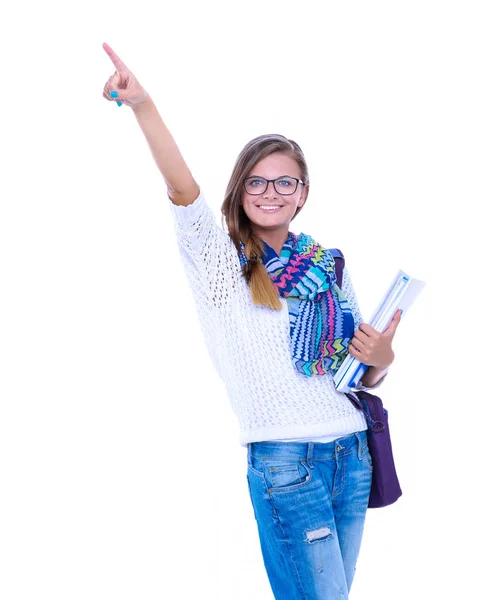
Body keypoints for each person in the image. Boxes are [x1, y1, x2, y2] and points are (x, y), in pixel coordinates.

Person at [102, 42, 403, 599]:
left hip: (352, 454)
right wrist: (144, 106)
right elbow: (182, 190)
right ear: (240, 191)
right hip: (286, 464)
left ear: (303, 194)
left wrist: (380, 361)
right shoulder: (219, 261)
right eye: (257, 182)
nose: (270, 192)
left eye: (284, 182)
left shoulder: (328, 264)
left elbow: (354, 376)